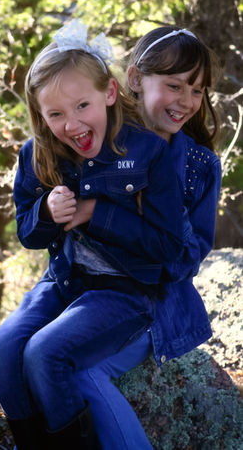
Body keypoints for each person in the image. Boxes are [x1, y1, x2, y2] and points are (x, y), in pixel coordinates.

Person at [0, 20, 187, 450]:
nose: (72, 124)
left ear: (109, 94)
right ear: (41, 115)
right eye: (55, 114)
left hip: (124, 291)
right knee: (1, 353)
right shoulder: (37, 153)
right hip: (62, 281)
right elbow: (27, 231)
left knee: (44, 354)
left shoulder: (148, 153)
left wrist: (97, 214)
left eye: (82, 106)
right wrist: (45, 213)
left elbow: (169, 246)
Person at [74, 26, 222, 449]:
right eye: (174, 85)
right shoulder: (101, 142)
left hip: (153, 305)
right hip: (86, 293)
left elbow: (188, 256)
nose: (187, 102)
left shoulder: (199, 165)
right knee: (27, 356)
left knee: (81, 369)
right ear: (136, 79)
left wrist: (155, 210)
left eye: (197, 90)